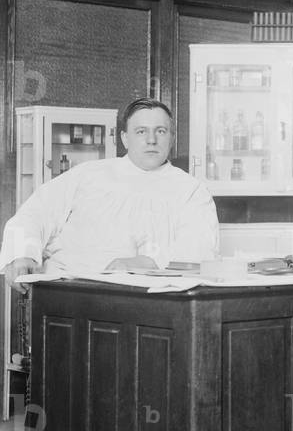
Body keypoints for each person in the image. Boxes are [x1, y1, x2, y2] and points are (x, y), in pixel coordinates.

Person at [1, 97, 219, 292]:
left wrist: (151, 262)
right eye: (141, 131)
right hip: (67, 291)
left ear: (171, 138)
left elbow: (198, 250)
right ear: (125, 138)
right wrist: (23, 254)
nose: (151, 140)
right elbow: (34, 214)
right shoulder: (88, 175)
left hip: (147, 302)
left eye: (160, 131)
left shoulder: (191, 191)